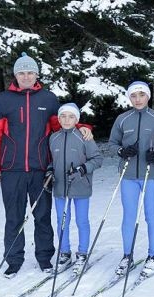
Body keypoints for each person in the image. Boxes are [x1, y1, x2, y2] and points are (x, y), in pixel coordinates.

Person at [0, 52, 93, 278]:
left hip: (41, 169)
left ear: (36, 74)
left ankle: (45, 258)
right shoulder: (4, 99)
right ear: (16, 75)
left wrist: (83, 126)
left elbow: (62, 124)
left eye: (30, 72)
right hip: (11, 169)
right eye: (22, 73)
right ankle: (14, 260)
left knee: (42, 216)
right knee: (14, 216)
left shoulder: (48, 99)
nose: (26, 76)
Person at [107, 81, 154, 278]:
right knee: (129, 216)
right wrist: (121, 151)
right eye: (134, 96)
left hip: (150, 174)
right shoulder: (122, 119)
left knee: (151, 215)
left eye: (141, 95)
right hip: (127, 175)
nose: (138, 99)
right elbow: (112, 144)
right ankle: (127, 255)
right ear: (129, 97)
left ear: (148, 97)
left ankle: (153, 256)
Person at [47, 103, 103, 275]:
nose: (66, 120)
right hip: (60, 187)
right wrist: (49, 171)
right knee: (62, 221)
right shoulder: (53, 138)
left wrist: (82, 169)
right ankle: (64, 253)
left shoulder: (84, 137)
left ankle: (82, 254)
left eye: (71, 117)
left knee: (81, 221)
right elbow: (52, 161)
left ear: (77, 119)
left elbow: (97, 159)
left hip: (80, 186)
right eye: (63, 116)